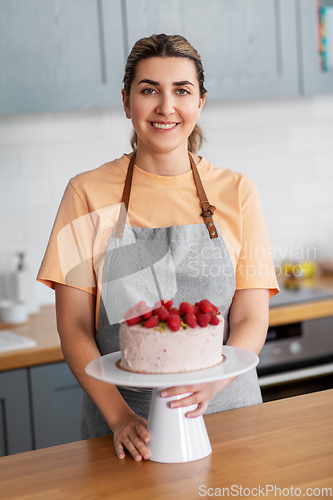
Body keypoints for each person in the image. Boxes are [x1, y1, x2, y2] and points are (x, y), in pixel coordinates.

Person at [37, 33, 279, 462]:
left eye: (181, 90)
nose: (166, 106)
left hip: (228, 414)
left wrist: (212, 386)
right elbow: (73, 326)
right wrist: (120, 418)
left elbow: (251, 314)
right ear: (127, 102)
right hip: (127, 431)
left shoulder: (239, 192)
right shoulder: (86, 193)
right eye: (149, 90)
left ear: (200, 101)